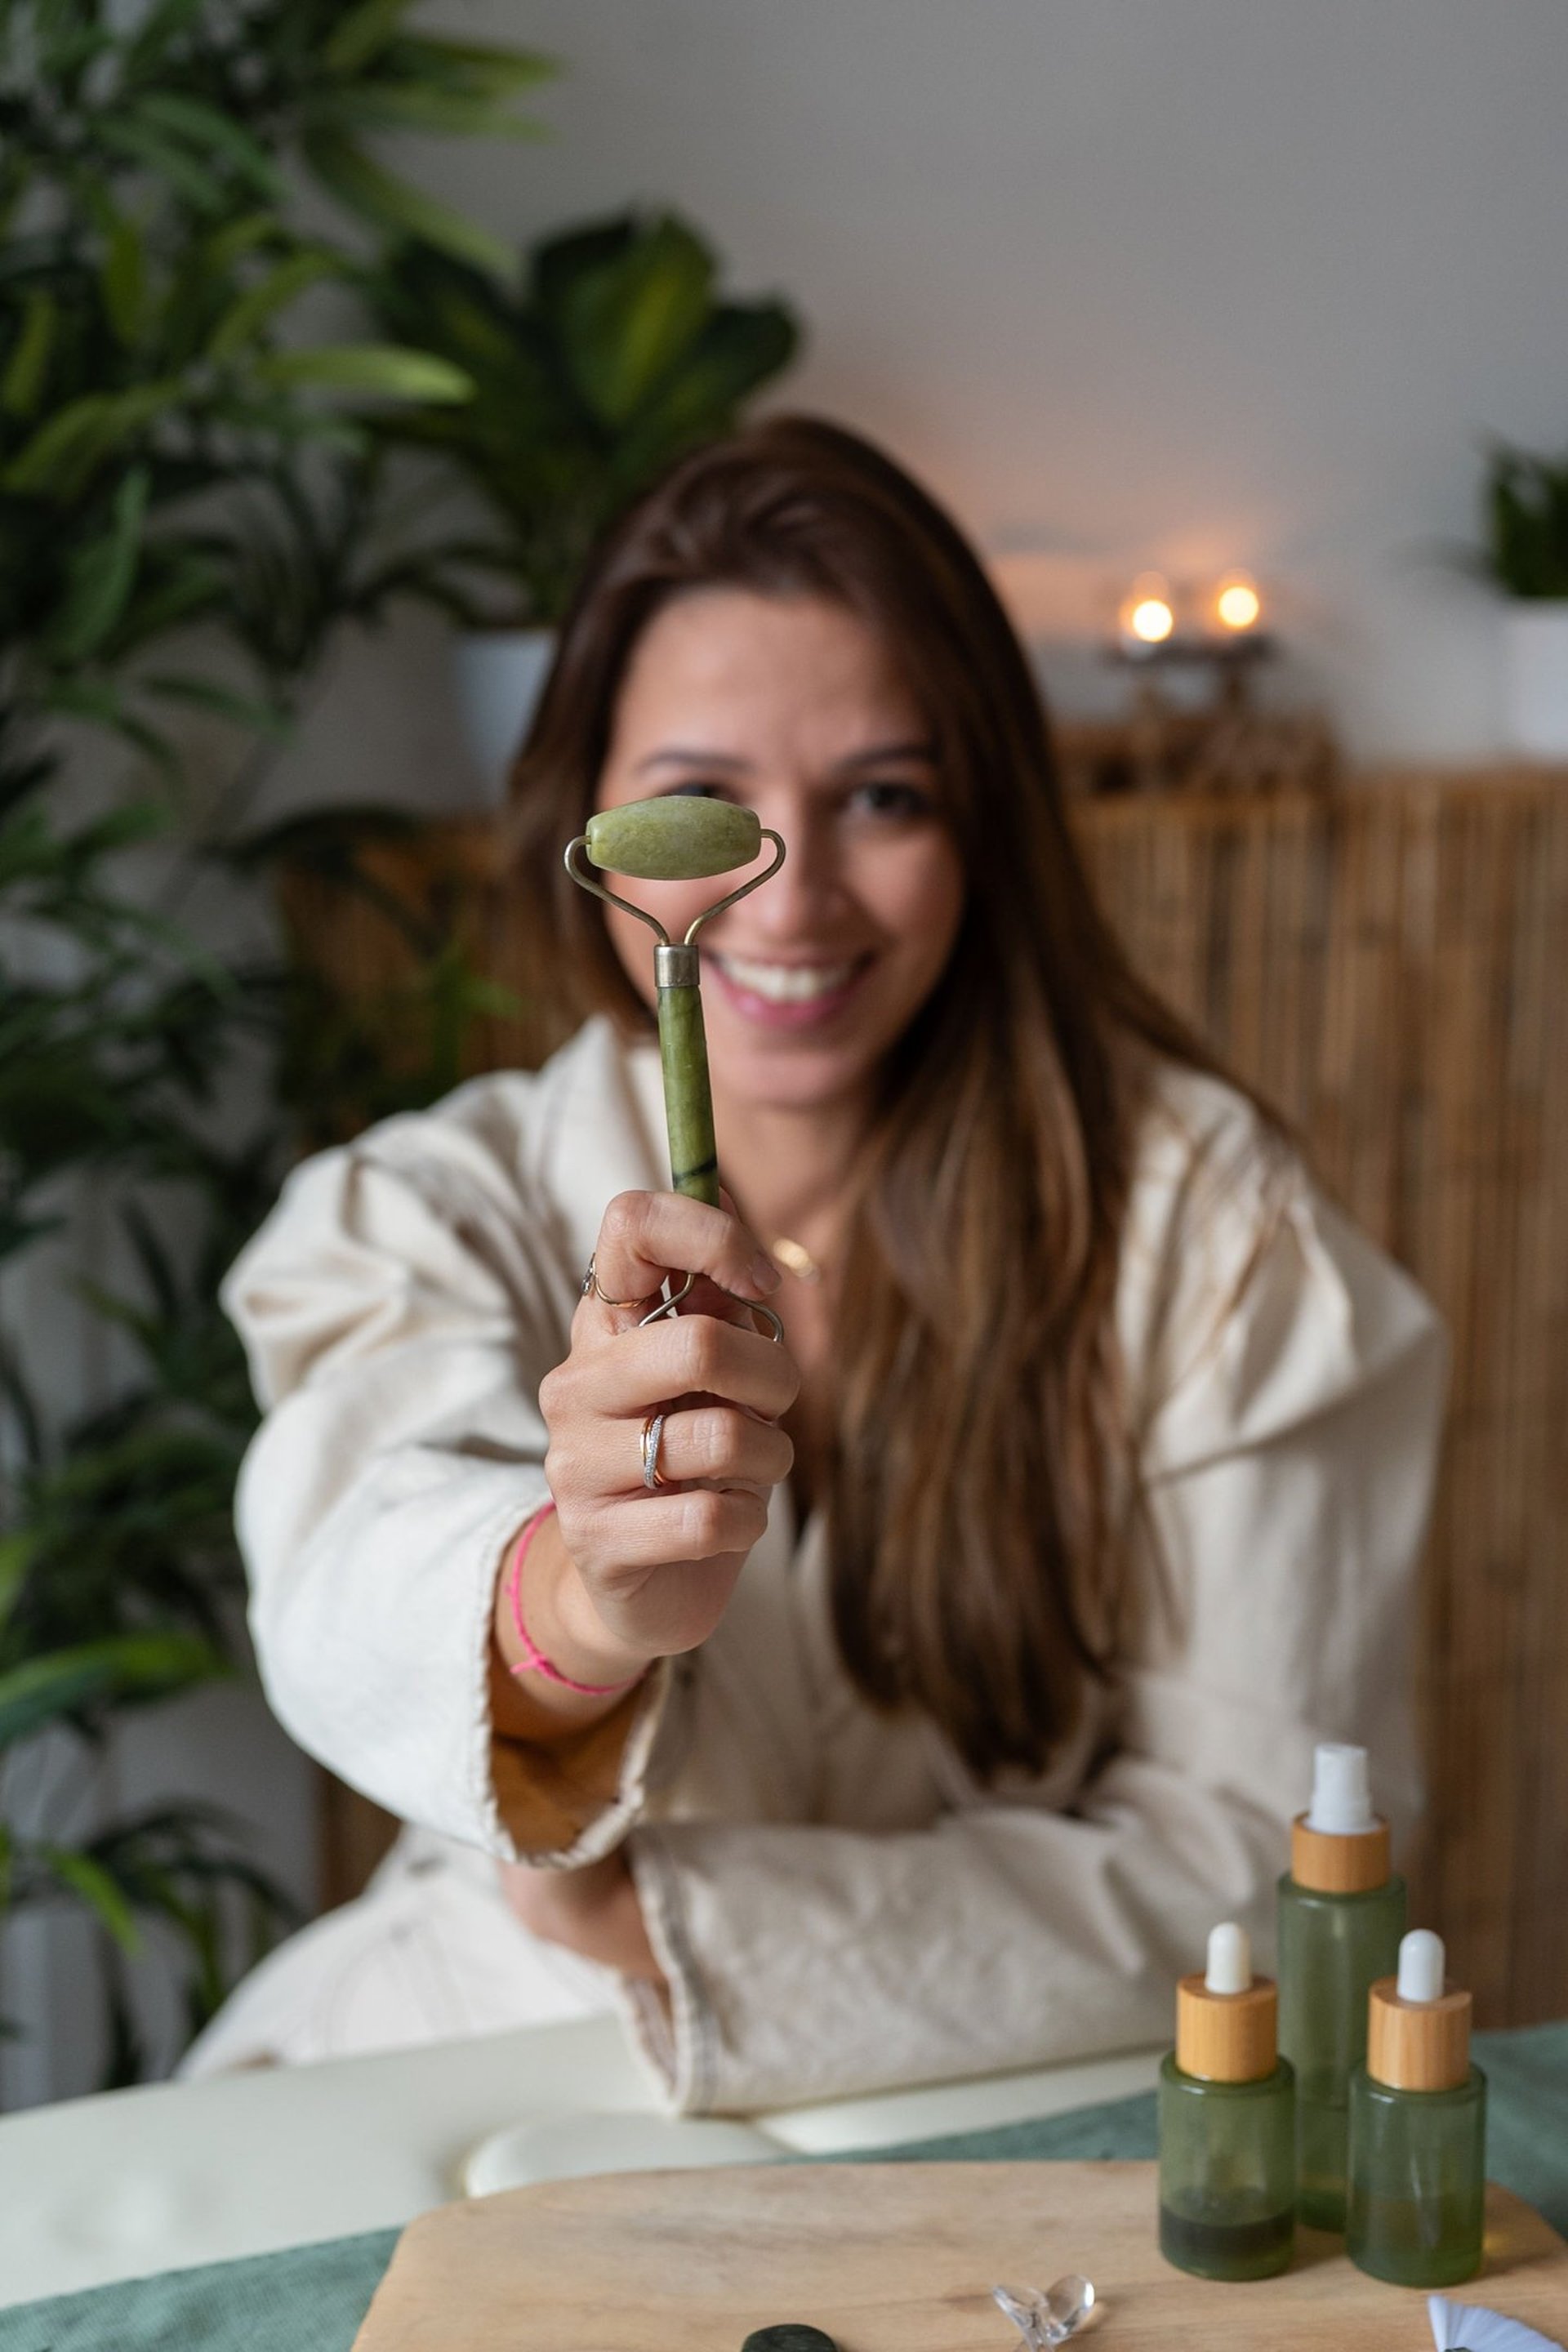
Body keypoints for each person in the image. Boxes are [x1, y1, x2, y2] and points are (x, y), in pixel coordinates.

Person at [184, 418, 1446, 2111]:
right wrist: (576, 1601)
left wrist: (655, 1923)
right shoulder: (433, 1209)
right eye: (702, 804)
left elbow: (1266, 1866)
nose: (784, 900)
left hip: (1019, 2109)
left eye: (886, 796)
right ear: (589, 821)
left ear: (987, 827)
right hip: (477, 2064)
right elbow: (344, 1574)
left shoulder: (1211, 1238)